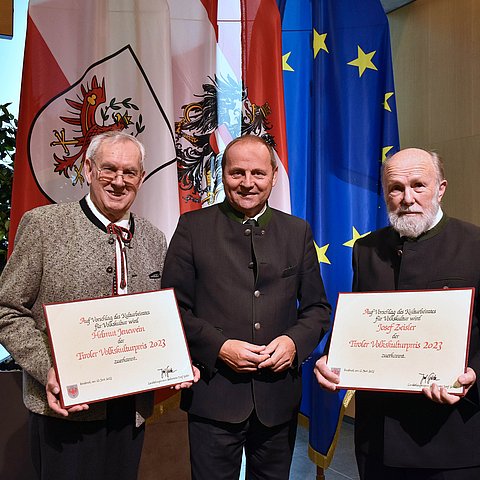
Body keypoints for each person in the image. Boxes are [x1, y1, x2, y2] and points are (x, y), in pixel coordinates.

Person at [0, 131, 197, 480]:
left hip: (130, 409)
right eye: (109, 169)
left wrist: (180, 359)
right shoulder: (45, 225)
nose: (119, 181)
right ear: (88, 169)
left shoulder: (154, 237)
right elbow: (7, 308)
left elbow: (159, 317)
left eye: (130, 172)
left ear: (142, 177)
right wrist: (47, 368)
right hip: (66, 408)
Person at [161, 134, 331, 480]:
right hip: (214, 396)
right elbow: (172, 308)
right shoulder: (192, 228)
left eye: (258, 173)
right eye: (237, 173)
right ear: (222, 174)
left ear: (273, 176)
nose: (248, 183)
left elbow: (316, 308)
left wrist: (294, 343)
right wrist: (219, 347)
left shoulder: (297, 231)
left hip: (278, 398)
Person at [314, 148, 480, 479]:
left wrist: (473, 374)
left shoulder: (474, 244)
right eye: (396, 188)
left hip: (453, 438)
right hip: (379, 439)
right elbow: (359, 324)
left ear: (441, 188)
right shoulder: (367, 250)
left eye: (418, 185)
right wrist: (332, 360)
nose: (407, 198)